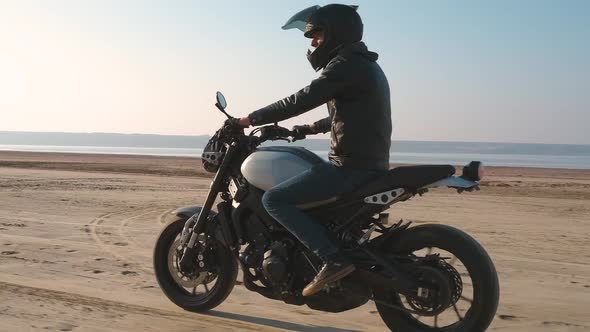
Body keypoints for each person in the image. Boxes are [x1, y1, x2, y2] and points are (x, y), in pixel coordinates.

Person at [237, 4, 392, 297]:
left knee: (275, 199)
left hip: (350, 167)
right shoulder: (365, 65)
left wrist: (250, 118)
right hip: (367, 163)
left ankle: (332, 258)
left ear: (336, 33)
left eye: (317, 35)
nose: (312, 43)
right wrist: (304, 130)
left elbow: (301, 99)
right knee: (308, 170)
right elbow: (344, 115)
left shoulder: (345, 65)